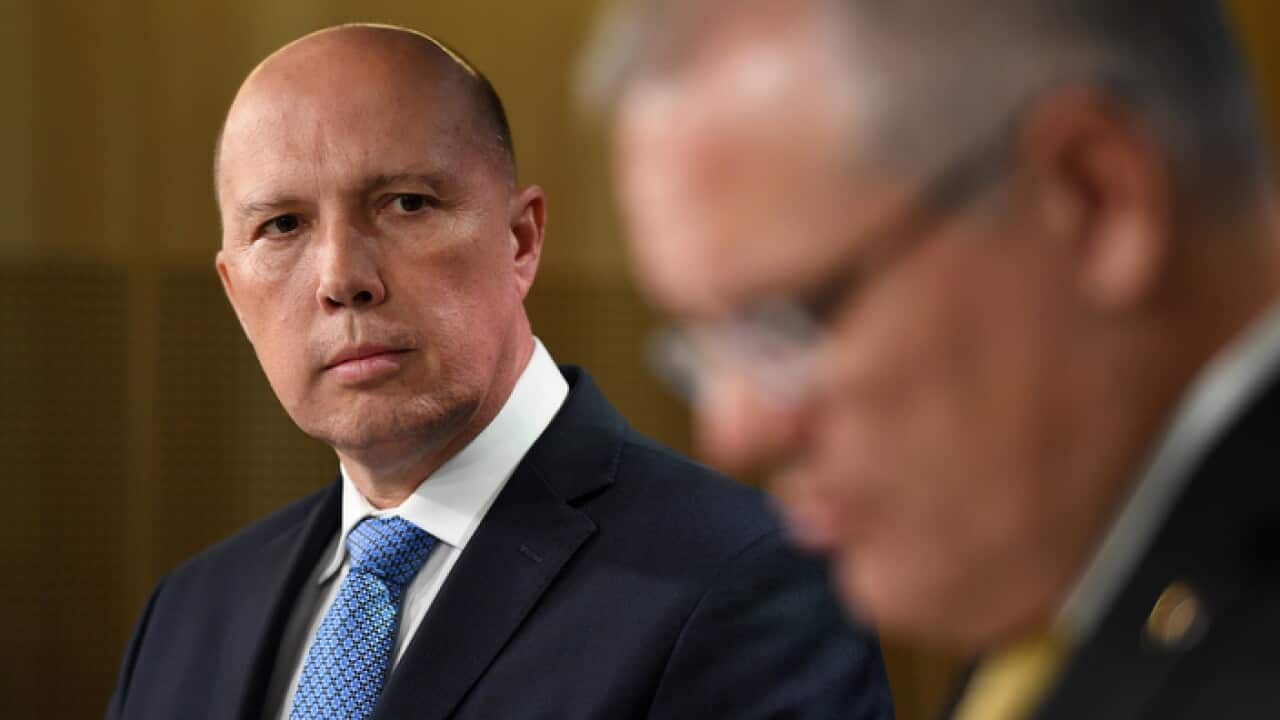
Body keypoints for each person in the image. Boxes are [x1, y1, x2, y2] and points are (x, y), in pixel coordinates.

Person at [105, 23, 892, 720]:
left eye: (405, 203)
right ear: (235, 295)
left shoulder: (747, 579)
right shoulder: (187, 614)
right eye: (282, 225)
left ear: (521, 240)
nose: (342, 277)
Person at [595, 0, 1280, 717]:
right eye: (710, 346)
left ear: (1093, 199)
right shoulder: (1060, 593)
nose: (734, 432)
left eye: (786, 324)